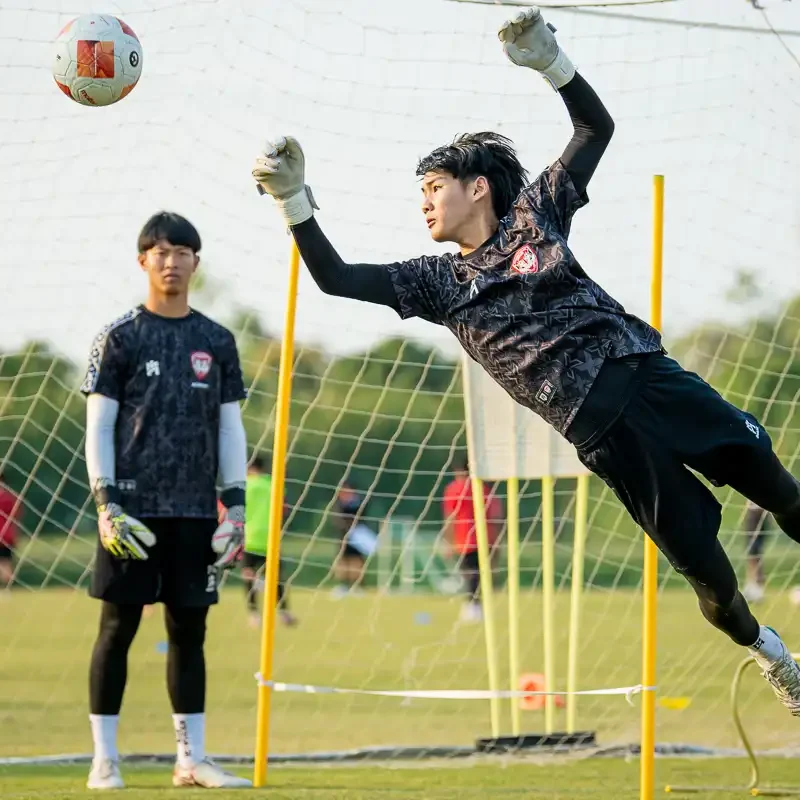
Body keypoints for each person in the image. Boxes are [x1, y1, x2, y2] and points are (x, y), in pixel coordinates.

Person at [252, 6, 800, 715]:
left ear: (477, 186)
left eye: (434, 188)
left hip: (655, 382)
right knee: (715, 588)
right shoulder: (436, 282)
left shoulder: (534, 216)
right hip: (610, 441)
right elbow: (335, 277)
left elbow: (595, 128)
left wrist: (549, 62)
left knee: (781, 490)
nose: (425, 204)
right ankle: (774, 655)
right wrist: (294, 201)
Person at [80, 211, 251, 789]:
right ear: (143, 261)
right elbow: (99, 426)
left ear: (196, 262)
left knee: (189, 633)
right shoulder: (119, 337)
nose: (171, 262)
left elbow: (230, 428)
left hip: (196, 511)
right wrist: (106, 503)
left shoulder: (216, 340)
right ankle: (105, 758)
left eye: (181, 252)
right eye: (160, 252)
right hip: (131, 512)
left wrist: (236, 506)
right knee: (117, 629)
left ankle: (191, 760)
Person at [442, 456, 504, 622]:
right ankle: (476, 606)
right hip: (485, 538)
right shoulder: (483, 489)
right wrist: (497, 541)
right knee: (479, 574)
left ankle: (473, 607)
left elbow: (450, 518)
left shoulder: (453, 489)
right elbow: (495, 516)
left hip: (464, 540)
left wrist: (448, 542)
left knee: (470, 574)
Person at [241, 455, 297, 628]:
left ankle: (254, 614)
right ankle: (284, 613)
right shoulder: (273, 484)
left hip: (250, 537)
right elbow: (284, 508)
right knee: (277, 577)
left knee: (248, 575)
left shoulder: (244, 485)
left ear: (249, 468)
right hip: (271, 537)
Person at [331, 482, 377, 597]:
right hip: (344, 537)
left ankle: (358, 586)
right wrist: (345, 527)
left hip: (357, 536)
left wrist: (353, 526)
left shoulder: (358, 502)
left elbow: (362, 516)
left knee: (357, 562)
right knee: (343, 562)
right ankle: (343, 586)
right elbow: (337, 519)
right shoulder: (339, 503)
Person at [742, 502, 772, 604]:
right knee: (752, 552)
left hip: (758, 513)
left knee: (755, 553)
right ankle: (752, 585)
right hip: (755, 512)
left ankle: (756, 587)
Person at [0, 469, 22, 589]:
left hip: (4, 536)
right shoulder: (10, 497)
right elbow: (18, 514)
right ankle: (7, 589)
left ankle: (6, 587)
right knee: (6, 563)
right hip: (7, 536)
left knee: (5, 564)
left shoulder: (8, 498)